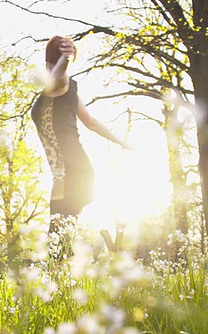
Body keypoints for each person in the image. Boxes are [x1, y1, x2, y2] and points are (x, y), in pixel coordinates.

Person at [31, 36, 133, 233]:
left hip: (73, 171)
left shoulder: (61, 85)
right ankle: (64, 257)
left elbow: (59, 75)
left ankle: (114, 232)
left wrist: (65, 59)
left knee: (61, 231)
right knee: (58, 232)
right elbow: (91, 123)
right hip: (65, 174)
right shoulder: (54, 90)